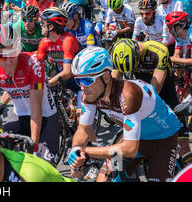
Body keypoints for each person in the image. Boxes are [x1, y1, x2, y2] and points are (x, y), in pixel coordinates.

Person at [68, 47, 182, 182]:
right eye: (78, 81)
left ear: (105, 76)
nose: (82, 87)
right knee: (103, 178)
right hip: (136, 138)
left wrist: (86, 152)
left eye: (87, 80)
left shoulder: (128, 95)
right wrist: (75, 154)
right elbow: (83, 130)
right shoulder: (90, 95)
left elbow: (130, 149)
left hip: (163, 139)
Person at [0, 23, 59, 165]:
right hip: (20, 114)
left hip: (45, 115)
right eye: (2, 57)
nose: (9, 60)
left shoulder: (33, 63)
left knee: (45, 167)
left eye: (13, 53)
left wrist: (34, 145)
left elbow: (36, 106)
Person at [110, 39, 191, 164]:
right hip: (140, 93)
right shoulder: (118, 53)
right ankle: (114, 172)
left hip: (164, 92)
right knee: (124, 139)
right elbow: (112, 88)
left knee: (183, 143)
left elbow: (154, 92)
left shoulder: (158, 51)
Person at [36, 7, 79, 91]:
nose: (40, 25)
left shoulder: (68, 40)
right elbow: (37, 65)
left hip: (78, 77)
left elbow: (67, 73)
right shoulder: (44, 42)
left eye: (43, 23)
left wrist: (44, 85)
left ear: (51, 26)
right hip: (62, 75)